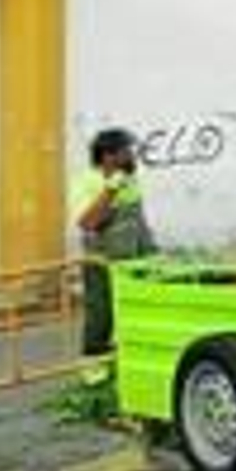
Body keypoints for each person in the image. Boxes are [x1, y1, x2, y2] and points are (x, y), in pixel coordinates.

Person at [71, 128, 155, 355]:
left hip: (133, 260)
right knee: (101, 315)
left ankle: (126, 356)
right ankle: (95, 365)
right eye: (126, 151)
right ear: (108, 156)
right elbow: (87, 222)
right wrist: (111, 189)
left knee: (133, 311)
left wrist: (152, 253)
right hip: (102, 263)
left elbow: (137, 220)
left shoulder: (129, 179)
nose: (132, 155)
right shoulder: (86, 182)